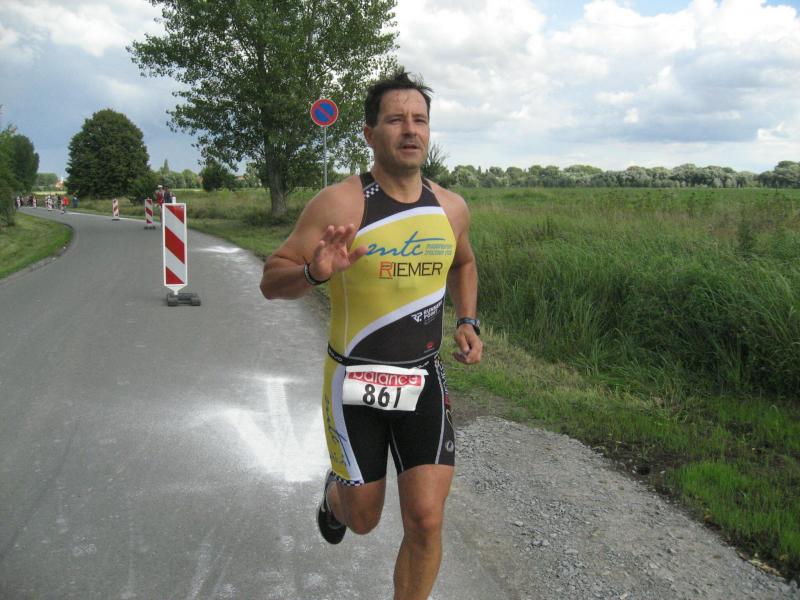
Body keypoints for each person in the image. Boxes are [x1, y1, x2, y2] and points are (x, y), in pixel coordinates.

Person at [259, 69, 482, 600]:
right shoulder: (341, 204)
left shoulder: (450, 207)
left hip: (422, 379)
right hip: (354, 382)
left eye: (419, 120)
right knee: (363, 519)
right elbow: (272, 280)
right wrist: (314, 272)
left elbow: (464, 264)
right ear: (369, 133)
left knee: (426, 520)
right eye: (396, 119)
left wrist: (467, 320)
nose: (410, 130)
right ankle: (335, 497)